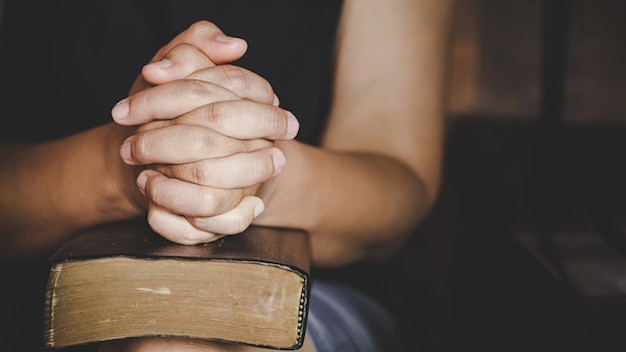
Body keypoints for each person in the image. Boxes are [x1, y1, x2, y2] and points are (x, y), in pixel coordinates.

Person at [0, 0, 453, 351]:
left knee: (181, 338)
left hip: (318, 291)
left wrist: (258, 172)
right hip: (31, 285)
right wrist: (130, 160)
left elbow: (398, 189)